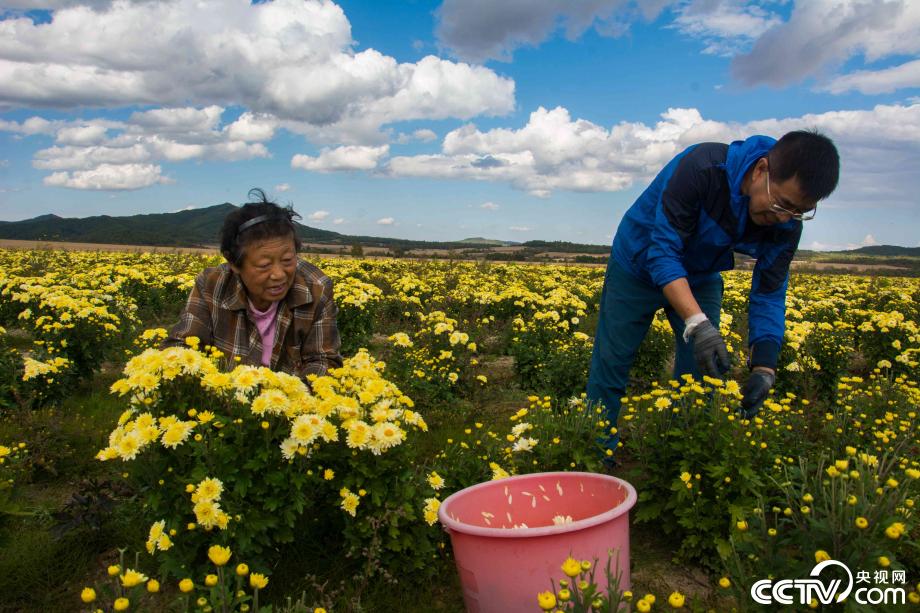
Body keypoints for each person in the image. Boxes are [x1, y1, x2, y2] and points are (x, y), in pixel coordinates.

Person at [587, 130, 840, 454]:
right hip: (637, 263)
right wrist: (697, 322)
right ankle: (596, 454)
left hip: (700, 273)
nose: (783, 217)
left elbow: (769, 291)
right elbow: (663, 254)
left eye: (798, 211)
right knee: (613, 361)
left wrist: (764, 367)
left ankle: (684, 459)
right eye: (782, 203)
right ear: (762, 170)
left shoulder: (786, 224)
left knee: (703, 370)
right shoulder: (702, 168)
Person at [164, 189, 343, 380]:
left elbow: (324, 361)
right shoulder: (212, 284)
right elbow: (182, 345)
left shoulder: (316, 288)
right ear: (233, 263)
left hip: (290, 402)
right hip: (224, 400)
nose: (279, 275)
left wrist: (292, 398)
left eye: (288, 260)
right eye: (264, 265)